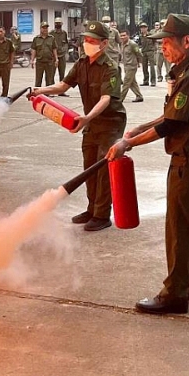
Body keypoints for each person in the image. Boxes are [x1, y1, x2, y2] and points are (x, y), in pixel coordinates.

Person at [106, 14, 189, 315]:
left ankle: (174, 293)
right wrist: (137, 128)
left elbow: (169, 126)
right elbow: (172, 115)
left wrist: (127, 143)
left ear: (187, 42)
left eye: (168, 43)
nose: (163, 49)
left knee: (180, 229)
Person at [31, 21, 126, 232]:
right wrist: (41, 91)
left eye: (92, 40)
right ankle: (92, 209)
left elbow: (106, 99)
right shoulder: (82, 63)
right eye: (85, 39)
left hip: (110, 123)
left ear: (104, 43)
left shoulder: (110, 68)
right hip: (91, 123)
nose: (87, 43)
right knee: (88, 167)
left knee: (101, 167)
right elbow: (63, 85)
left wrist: (87, 117)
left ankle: (102, 215)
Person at [30, 22, 58, 88]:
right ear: (40, 29)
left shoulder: (52, 38)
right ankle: (37, 93)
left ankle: (48, 93)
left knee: (49, 79)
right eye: (43, 28)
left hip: (49, 61)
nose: (45, 29)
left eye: (46, 28)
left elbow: (54, 49)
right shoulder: (36, 39)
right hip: (40, 62)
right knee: (38, 79)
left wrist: (56, 59)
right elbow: (34, 50)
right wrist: (32, 60)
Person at [119, 30, 144, 103]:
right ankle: (139, 96)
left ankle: (121, 98)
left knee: (126, 82)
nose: (122, 37)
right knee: (132, 82)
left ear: (128, 36)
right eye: (121, 35)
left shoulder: (132, 44)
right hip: (126, 66)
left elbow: (139, 54)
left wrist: (138, 63)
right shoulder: (122, 44)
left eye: (124, 35)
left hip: (131, 66)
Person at [52, 17, 70, 91]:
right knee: (51, 74)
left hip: (62, 56)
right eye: (56, 23)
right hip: (53, 57)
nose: (58, 25)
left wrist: (65, 51)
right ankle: (51, 90)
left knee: (62, 74)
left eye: (59, 23)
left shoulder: (64, 33)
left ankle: (61, 91)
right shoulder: (51, 33)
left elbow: (66, 43)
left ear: (62, 24)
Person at [138, 22, 156, 86]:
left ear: (147, 28)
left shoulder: (151, 35)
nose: (143, 29)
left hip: (150, 52)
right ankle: (146, 81)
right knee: (144, 67)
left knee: (152, 67)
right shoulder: (140, 36)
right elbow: (139, 44)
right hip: (143, 52)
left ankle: (153, 81)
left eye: (144, 27)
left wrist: (153, 49)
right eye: (142, 28)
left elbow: (154, 42)